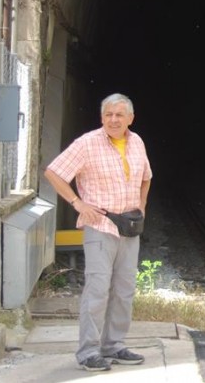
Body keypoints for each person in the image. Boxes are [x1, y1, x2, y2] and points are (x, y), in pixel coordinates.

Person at [45, 93, 153, 372]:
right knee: (97, 290)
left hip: (130, 227)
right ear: (102, 117)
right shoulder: (87, 143)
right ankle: (88, 351)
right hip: (101, 226)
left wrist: (141, 205)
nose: (113, 120)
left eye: (119, 115)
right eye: (108, 115)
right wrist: (77, 203)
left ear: (131, 118)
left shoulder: (137, 142)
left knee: (124, 290)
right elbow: (54, 172)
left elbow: (146, 178)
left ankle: (114, 345)